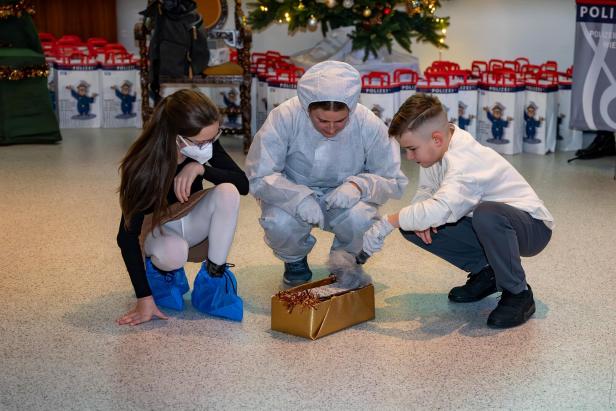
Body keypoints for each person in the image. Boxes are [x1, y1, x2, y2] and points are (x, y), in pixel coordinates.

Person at [363, 94, 554, 328]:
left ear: (436, 139)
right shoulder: (439, 148)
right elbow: (427, 190)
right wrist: (417, 218)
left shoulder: (464, 163)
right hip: (487, 223)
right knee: (414, 225)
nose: (409, 157)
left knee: (486, 214)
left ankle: (518, 293)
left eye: (412, 149)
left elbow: (443, 207)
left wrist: (388, 222)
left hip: (532, 227)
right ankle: (488, 273)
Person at [245, 60, 408, 286]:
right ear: (306, 107)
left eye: (340, 121)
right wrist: (298, 198)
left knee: (362, 218)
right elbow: (259, 174)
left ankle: (344, 261)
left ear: (350, 109)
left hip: (345, 194)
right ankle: (295, 260)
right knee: (278, 222)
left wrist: (358, 186)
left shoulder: (368, 123)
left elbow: (392, 179)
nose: (331, 129)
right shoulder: (284, 116)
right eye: (322, 120)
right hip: (292, 191)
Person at [116, 89, 249, 326]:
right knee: (173, 254)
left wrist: (200, 168)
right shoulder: (144, 166)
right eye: (201, 142)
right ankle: (161, 274)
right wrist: (143, 298)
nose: (208, 146)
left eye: (213, 138)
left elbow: (242, 184)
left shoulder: (201, 142)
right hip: (158, 228)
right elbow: (126, 236)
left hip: (189, 218)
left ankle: (214, 278)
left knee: (228, 192)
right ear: (175, 136)